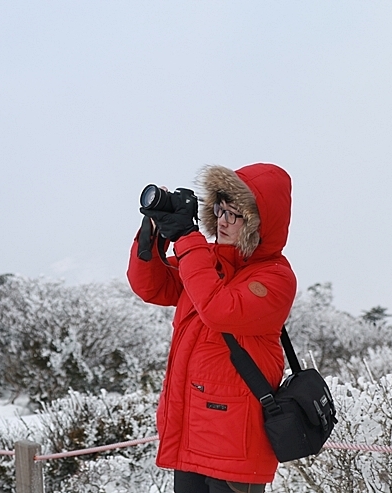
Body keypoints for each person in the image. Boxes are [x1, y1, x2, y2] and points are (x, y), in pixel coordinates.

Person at [127, 163, 297, 493]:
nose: (222, 221)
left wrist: (188, 240)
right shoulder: (206, 262)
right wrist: (153, 236)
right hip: (192, 432)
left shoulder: (275, 277)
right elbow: (152, 287)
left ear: (261, 223)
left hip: (236, 443)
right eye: (220, 209)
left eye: (236, 214)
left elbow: (219, 309)